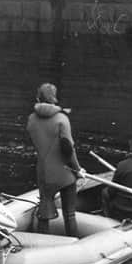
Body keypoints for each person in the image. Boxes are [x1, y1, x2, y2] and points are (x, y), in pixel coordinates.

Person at [26, 83, 84, 237]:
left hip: (44, 173)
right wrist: (78, 170)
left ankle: (40, 244)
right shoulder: (62, 119)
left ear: (38, 96)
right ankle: (74, 243)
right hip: (65, 174)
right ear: (54, 98)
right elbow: (68, 149)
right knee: (70, 214)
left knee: (44, 215)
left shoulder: (31, 119)